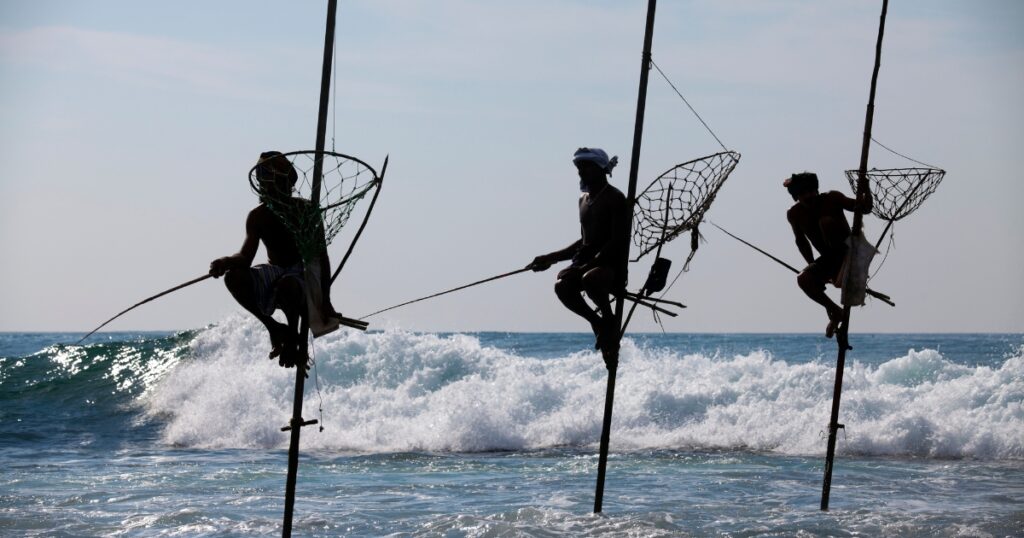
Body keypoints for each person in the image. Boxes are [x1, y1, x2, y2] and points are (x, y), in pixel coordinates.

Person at [209, 151, 339, 370]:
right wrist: (224, 262)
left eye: (271, 181)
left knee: (288, 284)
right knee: (235, 277)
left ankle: (292, 337)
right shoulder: (258, 216)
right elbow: (245, 257)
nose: (265, 187)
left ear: (285, 183)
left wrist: (325, 300)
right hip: (275, 271)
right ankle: (274, 328)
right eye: (262, 182)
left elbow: (322, 257)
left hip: (302, 274)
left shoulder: (306, 210)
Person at [529, 148, 629, 368]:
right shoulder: (582, 200)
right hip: (584, 264)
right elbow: (584, 242)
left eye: (586, 167)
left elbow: (617, 241)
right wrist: (550, 257)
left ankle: (608, 321)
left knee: (590, 279)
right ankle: (600, 324)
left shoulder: (615, 198)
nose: (581, 172)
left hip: (610, 266)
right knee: (562, 284)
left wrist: (586, 266)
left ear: (601, 169)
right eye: (578, 167)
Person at [784, 172, 872, 338]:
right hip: (828, 261)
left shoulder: (832, 198)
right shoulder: (794, 214)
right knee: (803, 279)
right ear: (796, 197)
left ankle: (835, 302)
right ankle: (834, 311)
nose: (808, 196)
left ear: (817, 190)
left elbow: (865, 208)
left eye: (811, 191)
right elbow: (801, 242)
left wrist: (865, 187)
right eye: (803, 194)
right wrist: (811, 266)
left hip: (849, 254)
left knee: (826, 223)